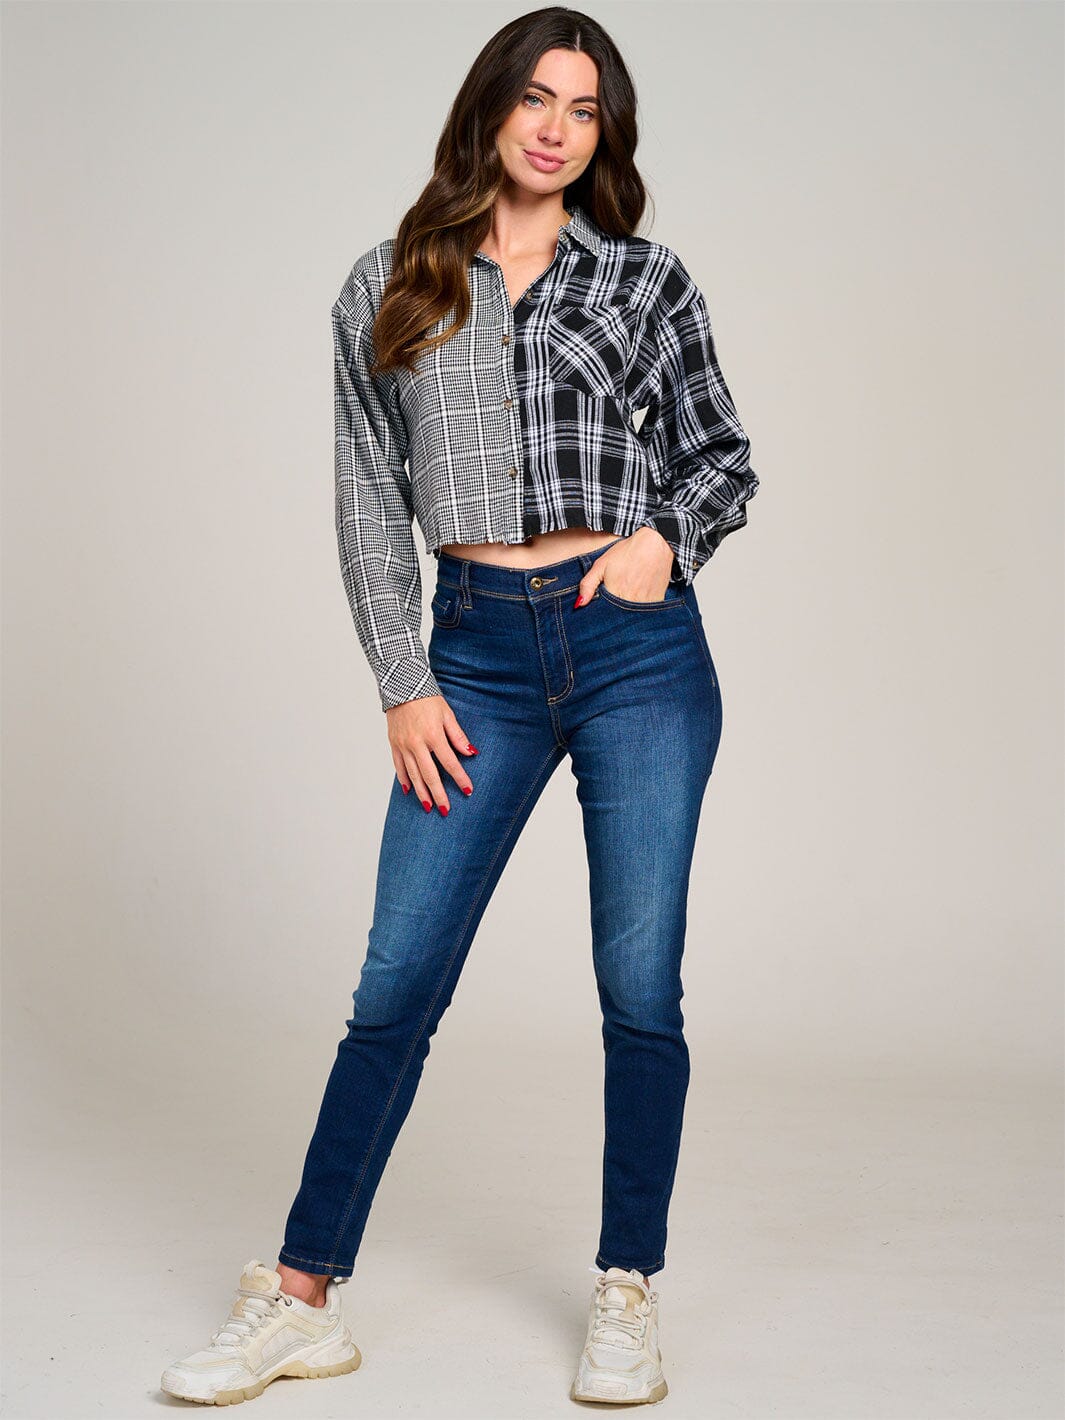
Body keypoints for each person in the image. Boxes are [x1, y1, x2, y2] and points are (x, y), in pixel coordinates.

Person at [161, 4, 759, 1409]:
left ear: (604, 134)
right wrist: (403, 680)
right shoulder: (391, 284)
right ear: (490, 108)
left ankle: (627, 1287)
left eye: (585, 109)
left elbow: (721, 456)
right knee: (397, 982)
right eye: (536, 98)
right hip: (475, 654)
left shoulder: (643, 281)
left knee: (638, 983)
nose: (556, 128)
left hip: (635, 651)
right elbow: (367, 496)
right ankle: (300, 1299)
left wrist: (665, 540)